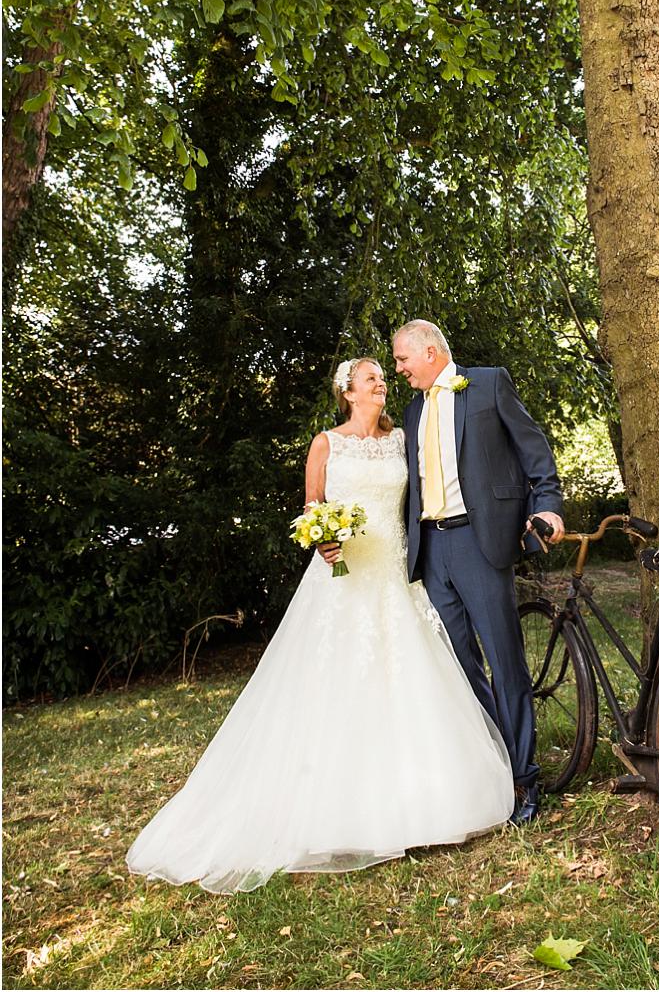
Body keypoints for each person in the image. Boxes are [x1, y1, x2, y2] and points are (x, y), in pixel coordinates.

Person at [126, 358, 513, 893]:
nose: (383, 382)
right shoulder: (326, 444)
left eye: (383, 375)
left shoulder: (402, 438)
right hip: (344, 577)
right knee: (340, 681)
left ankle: (424, 800)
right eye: (372, 378)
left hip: (396, 572)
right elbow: (311, 509)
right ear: (348, 392)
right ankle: (339, 809)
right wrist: (322, 538)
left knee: (410, 677)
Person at [392, 320, 565, 825]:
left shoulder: (489, 384)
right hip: (432, 549)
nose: (399, 369)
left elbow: (534, 450)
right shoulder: (412, 410)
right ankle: (494, 765)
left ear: (430, 351)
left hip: (480, 541)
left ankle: (525, 778)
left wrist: (548, 504)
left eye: (403, 359)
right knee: (460, 666)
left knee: (505, 662)